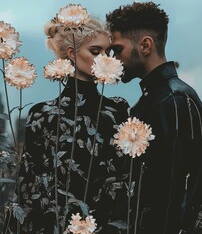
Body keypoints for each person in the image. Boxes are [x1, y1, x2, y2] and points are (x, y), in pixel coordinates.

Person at [11, 16, 130, 233]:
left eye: (108, 52)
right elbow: (27, 189)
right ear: (71, 53)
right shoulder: (42, 115)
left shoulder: (117, 111)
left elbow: (124, 183)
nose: (104, 59)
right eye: (95, 51)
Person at [106, 2, 202, 234]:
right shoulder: (151, 102)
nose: (112, 59)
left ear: (145, 45)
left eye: (117, 49)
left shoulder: (174, 101)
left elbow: (180, 195)